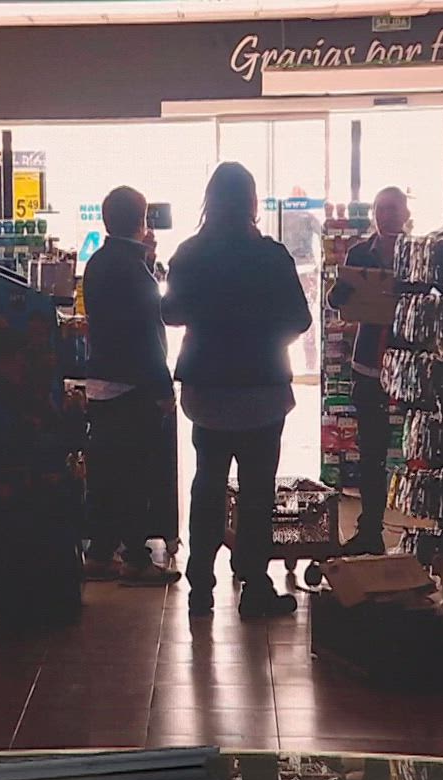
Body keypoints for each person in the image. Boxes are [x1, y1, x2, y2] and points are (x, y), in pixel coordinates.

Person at [163, 162, 311, 619]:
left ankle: (200, 587)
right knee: (257, 491)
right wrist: (265, 339)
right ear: (252, 201)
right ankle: (254, 584)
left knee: (207, 483)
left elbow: (170, 313)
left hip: (207, 388)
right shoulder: (271, 256)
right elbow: (301, 319)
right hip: (262, 386)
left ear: (209, 200)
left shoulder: (190, 254)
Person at [80, 185, 180, 586]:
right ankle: (136, 559)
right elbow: (146, 334)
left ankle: (100, 553)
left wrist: (147, 259)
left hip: (100, 380)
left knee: (106, 474)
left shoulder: (98, 262)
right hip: (132, 385)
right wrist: (163, 389)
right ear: (142, 220)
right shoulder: (133, 271)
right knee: (137, 475)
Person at [327, 186, 410, 555]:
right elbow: (336, 300)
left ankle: (427, 533)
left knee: (419, 447)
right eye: (379, 208)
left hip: (409, 364)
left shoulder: (415, 254)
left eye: (391, 208)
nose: (384, 215)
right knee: (371, 451)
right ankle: (370, 530)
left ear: (405, 213)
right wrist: (343, 291)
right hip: (368, 364)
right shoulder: (360, 253)